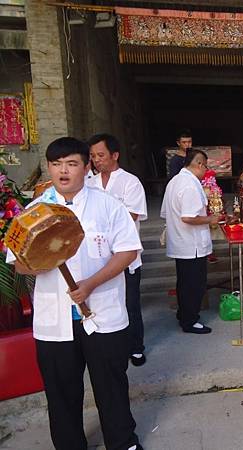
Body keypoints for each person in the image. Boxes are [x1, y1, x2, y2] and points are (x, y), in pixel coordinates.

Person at [8, 137, 143, 450]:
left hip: (101, 313)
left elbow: (126, 252)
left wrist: (91, 284)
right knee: (60, 389)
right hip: (54, 321)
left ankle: (122, 441)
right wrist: (39, 261)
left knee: (110, 383)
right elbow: (17, 264)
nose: (63, 171)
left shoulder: (107, 206)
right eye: (56, 164)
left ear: (86, 167)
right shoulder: (33, 213)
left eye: (71, 163)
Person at [88, 133, 148, 367]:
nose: (96, 160)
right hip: (97, 258)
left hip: (125, 257)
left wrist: (100, 220)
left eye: (101, 155)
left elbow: (130, 216)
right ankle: (114, 348)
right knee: (105, 306)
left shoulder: (130, 182)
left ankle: (136, 347)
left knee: (130, 304)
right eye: (92, 156)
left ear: (115, 155)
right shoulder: (89, 183)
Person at [161, 148, 219, 334]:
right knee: (194, 284)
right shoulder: (189, 184)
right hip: (191, 245)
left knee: (184, 282)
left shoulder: (174, 182)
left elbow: (165, 213)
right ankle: (190, 320)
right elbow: (188, 217)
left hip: (180, 242)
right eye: (205, 166)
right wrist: (210, 219)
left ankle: (183, 313)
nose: (205, 171)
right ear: (200, 164)